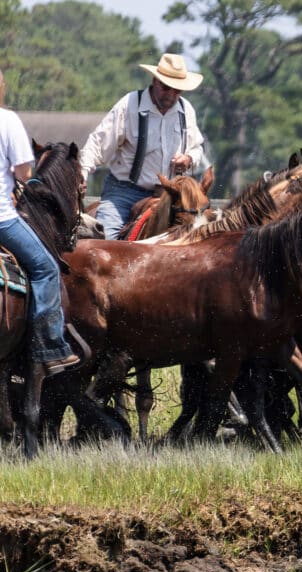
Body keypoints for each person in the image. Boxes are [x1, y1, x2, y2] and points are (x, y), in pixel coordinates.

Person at [0, 67, 79, 374]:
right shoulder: (7, 120)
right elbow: (23, 173)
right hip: (3, 220)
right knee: (46, 267)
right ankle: (50, 346)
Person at [80, 53, 206, 239]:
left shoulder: (186, 110)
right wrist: (82, 173)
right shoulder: (129, 105)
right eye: (166, 87)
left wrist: (189, 159)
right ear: (155, 81)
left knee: (198, 241)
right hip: (124, 194)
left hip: (171, 197)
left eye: (177, 90)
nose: (171, 95)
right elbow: (98, 144)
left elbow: (197, 149)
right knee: (108, 240)